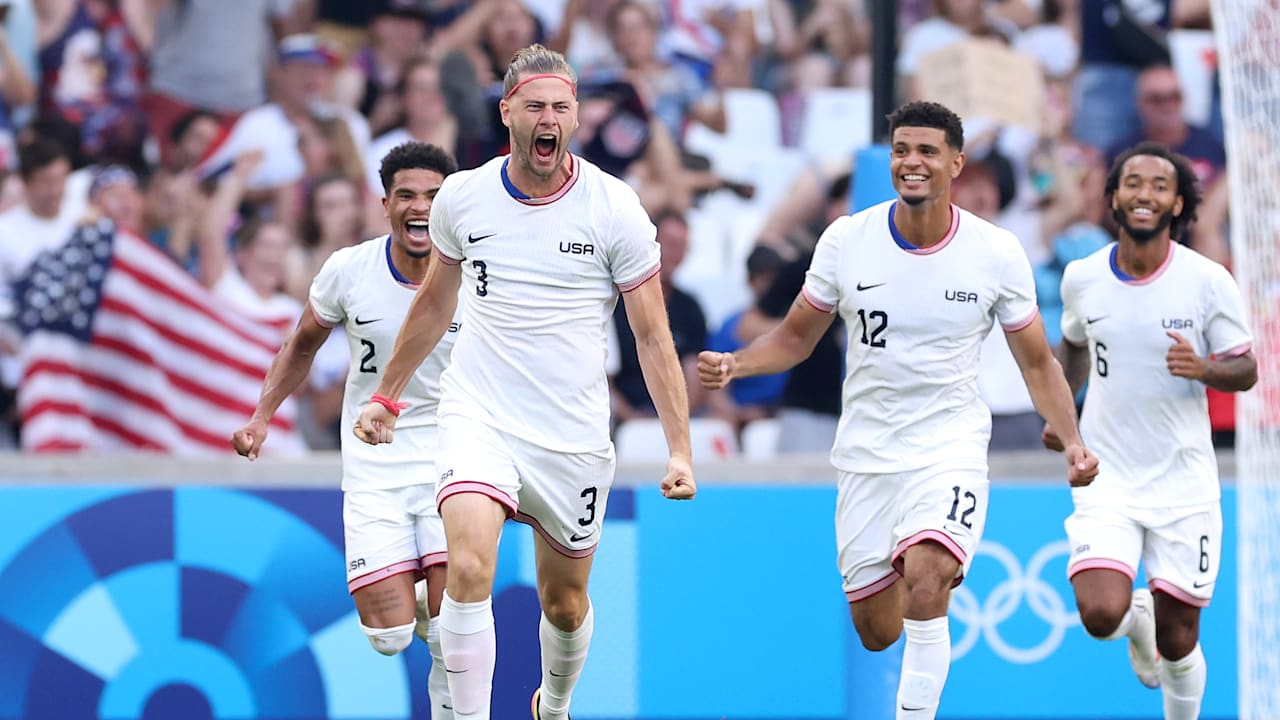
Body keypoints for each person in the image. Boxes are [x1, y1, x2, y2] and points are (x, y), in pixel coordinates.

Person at [698, 100, 1099, 719]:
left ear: (955, 163)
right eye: (902, 151)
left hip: (950, 446)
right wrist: (737, 363)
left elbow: (1038, 362)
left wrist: (1070, 437)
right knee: (877, 629)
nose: (912, 162)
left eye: (927, 151)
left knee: (930, 573)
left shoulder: (994, 252)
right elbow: (796, 337)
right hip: (867, 455)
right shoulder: (847, 240)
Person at [354, 44, 695, 720]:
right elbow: (433, 304)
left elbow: (653, 336)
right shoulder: (464, 198)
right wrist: (388, 395)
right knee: (470, 566)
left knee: (564, 604)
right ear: (508, 110)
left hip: (570, 431)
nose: (549, 119)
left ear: (575, 117)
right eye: (536, 106)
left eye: (561, 107)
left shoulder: (614, 208)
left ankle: (556, 703)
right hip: (478, 411)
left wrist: (680, 448)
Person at [231, 142, 461, 719]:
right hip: (373, 459)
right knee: (390, 636)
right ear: (384, 204)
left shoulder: (479, 276)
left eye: (434, 196)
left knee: (452, 634)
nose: (420, 207)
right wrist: (262, 415)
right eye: (406, 195)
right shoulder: (348, 269)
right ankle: (416, 584)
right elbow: (301, 344)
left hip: (453, 455)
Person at [1043, 142, 1256, 719]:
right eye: (1132, 183)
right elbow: (1075, 345)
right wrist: (1061, 417)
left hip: (1184, 481)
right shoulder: (1083, 277)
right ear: (1113, 197)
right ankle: (1133, 620)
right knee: (1099, 615)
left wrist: (1206, 368)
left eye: (1159, 185)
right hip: (1108, 477)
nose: (1145, 194)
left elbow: (1246, 368)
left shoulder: (1209, 281)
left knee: (1180, 637)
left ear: (1178, 202)